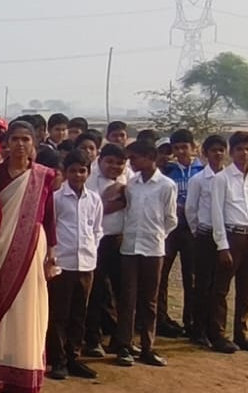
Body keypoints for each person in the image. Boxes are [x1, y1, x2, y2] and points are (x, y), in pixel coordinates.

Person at [0, 121, 56, 393]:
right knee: (5, 314)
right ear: (5, 142)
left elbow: (48, 216)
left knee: (31, 315)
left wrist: (52, 252)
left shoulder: (43, 177)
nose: (20, 144)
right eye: (15, 139)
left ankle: (29, 387)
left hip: (32, 249)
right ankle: (2, 385)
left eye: (26, 139)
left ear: (34, 143)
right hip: (2, 250)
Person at [114, 140, 176, 368]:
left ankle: (148, 346)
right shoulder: (131, 185)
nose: (131, 162)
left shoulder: (166, 185)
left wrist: (157, 236)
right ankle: (124, 346)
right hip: (130, 247)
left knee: (149, 300)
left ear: (150, 157)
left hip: (153, 248)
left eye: (135, 158)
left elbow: (170, 219)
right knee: (127, 298)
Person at [208, 131, 248, 353]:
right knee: (221, 289)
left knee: (246, 289)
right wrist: (222, 245)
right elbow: (217, 214)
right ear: (231, 152)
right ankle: (218, 335)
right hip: (232, 236)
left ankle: (241, 334)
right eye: (240, 149)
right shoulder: (221, 179)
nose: (245, 153)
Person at [46, 151, 104, 381]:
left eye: (82, 170)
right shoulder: (57, 199)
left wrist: (91, 249)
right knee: (60, 313)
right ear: (65, 172)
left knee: (80, 313)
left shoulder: (94, 199)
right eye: (73, 170)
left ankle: (74, 357)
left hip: (86, 263)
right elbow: (50, 230)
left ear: (89, 172)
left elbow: (97, 229)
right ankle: (58, 359)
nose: (78, 175)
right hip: (63, 263)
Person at [157, 129, 204, 340]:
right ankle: (161, 318)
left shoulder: (202, 170)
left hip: (192, 229)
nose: (181, 151)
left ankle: (192, 321)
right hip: (170, 229)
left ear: (193, 147)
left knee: (192, 276)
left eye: (185, 147)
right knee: (162, 273)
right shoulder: (168, 171)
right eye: (176, 148)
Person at [185, 134, 229, 351]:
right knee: (202, 284)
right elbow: (190, 209)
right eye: (214, 150)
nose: (218, 154)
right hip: (205, 234)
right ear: (205, 153)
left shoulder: (231, 178)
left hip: (227, 237)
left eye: (221, 150)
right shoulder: (199, 180)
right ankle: (198, 330)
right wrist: (198, 231)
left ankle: (216, 329)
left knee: (220, 285)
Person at [84, 144, 128, 356]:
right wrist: (119, 201)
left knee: (122, 291)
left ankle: (121, 341)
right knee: (96, 292)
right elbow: (95, 209)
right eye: (110, 162)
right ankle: (93, 340)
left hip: (120, 240)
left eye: (120, 163)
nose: (115, 167)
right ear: (100, 161)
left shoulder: (128, 178)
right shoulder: (90, 180)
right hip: (97, 242)